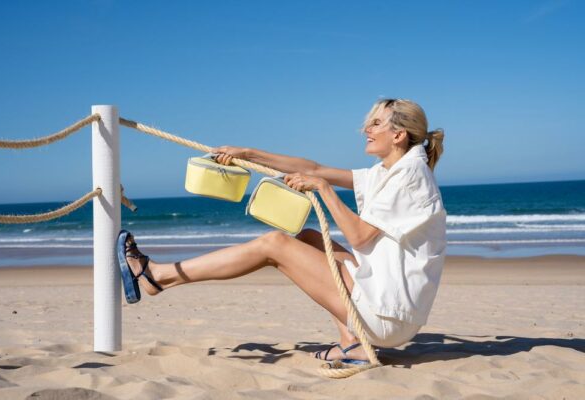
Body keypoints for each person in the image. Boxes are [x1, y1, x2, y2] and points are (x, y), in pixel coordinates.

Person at [116, 98, 446, 365]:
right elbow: (314, 168)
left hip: (386, 316)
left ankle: (158, 276)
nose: (365, 129)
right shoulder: (389, 170)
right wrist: (248, 154)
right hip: (387, 307)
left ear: (399, 134)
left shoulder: (408, 175)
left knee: (274, 244)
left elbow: (360, 236)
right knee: (309, 240)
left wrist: (323, 190)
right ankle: (352, 343)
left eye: (375, 123)